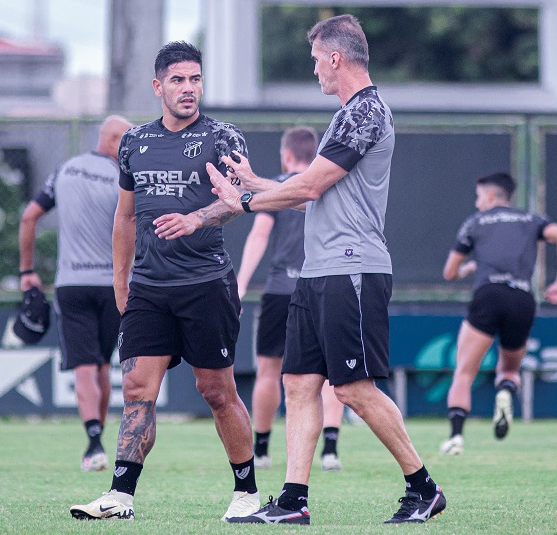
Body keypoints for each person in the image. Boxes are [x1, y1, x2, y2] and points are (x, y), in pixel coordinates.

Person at [155, 15, 445, 525]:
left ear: (336, 58)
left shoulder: (365, 112)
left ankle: (423, 488)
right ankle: (293, 500)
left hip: (351, 268)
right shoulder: (347, 115)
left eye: (316, 60)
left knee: (353, 387)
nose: (315, 70)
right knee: (298, 383)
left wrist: (244, 199)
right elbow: (312, 190)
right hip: (318, 272)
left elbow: (309, 189)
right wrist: (256, 182)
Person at [69, 41, 259, 522]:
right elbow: (125, 216)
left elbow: (238, 199)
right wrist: (120, 279)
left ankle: (247, 493)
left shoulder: (223, 137)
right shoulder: (134, 142)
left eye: (195, 79)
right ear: (158, 87)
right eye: (178, 80)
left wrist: (195, 218)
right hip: (149, 288)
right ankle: (119, 496)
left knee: (216, 390)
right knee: (136, 388)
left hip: (206, 284)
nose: (189, 88)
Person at [18, 115, 133, 472]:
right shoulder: (125, 178)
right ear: (115, 140)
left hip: (71, 284)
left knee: (84, 368)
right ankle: (96, 443)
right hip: (113, 285)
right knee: (102, 366)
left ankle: (94, 443)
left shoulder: (65, 170)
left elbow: (28, 217)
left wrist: (27, 271)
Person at [235, 126, 346, 473]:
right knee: (330, 373)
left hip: (281, 289)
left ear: (286, 155)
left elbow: (260, 235)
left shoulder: (279, 185)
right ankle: (330, 449)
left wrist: (240, 284)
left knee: (269, 370)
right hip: (324, 286)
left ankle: (263, 449)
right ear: (314, 155)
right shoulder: (325, 184)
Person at [439, 172, 557, 455]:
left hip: (488, 294)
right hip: (522, 297)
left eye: (479, 197)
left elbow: (449, 272)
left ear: (489, 197)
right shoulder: (532, 220)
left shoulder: (476, 222)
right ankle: (505, 391)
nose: (477, 204)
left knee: (464, 371)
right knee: (510, 368)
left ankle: (456, 437)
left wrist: (467, 269)